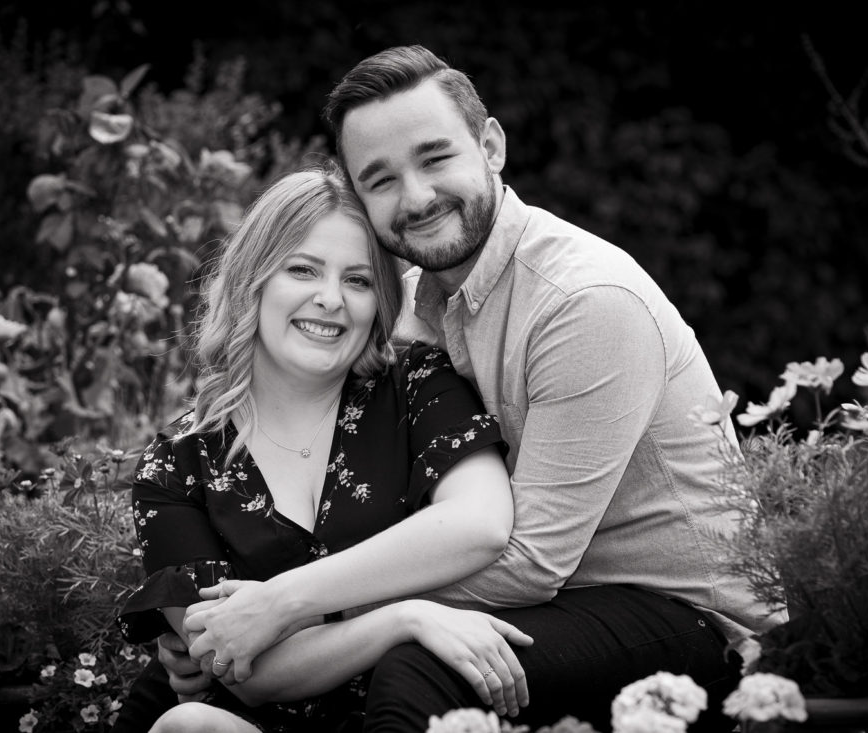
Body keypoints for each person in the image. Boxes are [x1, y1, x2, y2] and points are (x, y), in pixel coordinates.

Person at [179, 46, 785, 732]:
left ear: (491, 145)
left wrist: (294, 606)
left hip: (685, 621)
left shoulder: (584, 302)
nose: (415, 197)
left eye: (435, 158)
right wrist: (229, 618)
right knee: (195, 691)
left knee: (422, 663)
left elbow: (531, 564)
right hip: (548, 605)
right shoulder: (405, 304)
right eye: (380, 179)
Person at [113, 164, 534, 733]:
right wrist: (403, 618)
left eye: (358, 280)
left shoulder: (416, 385)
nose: (330, 299)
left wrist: (281, 605)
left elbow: (479, 523)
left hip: (411, 709)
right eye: (303, 269)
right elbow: (239, 666)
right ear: (251, 281)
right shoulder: (177, 466)